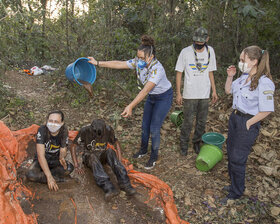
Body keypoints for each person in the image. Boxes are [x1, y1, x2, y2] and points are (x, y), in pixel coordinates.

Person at [88, 35, 173, 169]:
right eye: (137, 57)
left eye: (142, 58)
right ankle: (143, 150)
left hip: (163, 97)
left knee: (154, 128)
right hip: (152, 97)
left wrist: (130, 106)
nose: (138, 60)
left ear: (151, 57)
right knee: (145, 127)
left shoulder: (158, 70)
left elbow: (144, 91)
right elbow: (119, 64)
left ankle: (154, 156)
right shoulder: (138, 62)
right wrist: (98, 63)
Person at [222, 46, 275, 204]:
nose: (240, 62)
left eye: (243, 60)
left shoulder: (264, 82)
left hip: (247, 122)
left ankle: (236, 192)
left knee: (238, 158)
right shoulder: (243, 77)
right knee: (231, 153)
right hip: (235, 118)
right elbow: (227, 91)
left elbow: (266, 110)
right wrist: (230, 76)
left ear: (254, 61)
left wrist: (249, 123)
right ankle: (233, 184)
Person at [175, 27, 218, 156]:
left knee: (201, 121)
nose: (199, 44)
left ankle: (196, 142)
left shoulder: (211, 51)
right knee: (188, 121)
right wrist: (178, 93)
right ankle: (183, 144)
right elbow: (179, 73)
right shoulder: (185, 52)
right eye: (196, 42)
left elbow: (210, 72)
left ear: (207, 39)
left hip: (204, 93)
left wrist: (214, 91)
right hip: (190, 94)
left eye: (201, 42)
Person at [70, 119, 136, 202]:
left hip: (101, 155)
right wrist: (76, 165)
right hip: (89, 157)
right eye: (96, 134)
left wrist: (119, 161)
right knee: (92, 156)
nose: (98, 137)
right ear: (91, 129)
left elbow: (116, 143)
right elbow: (73, 146)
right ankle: (108, 187)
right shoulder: (84, 131)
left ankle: (125, 184)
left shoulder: (108, 130)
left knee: (110, 151)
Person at [26, 110, 74, 191]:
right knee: (31, 174)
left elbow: (63, 149)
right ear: (47, 121)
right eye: (50, 121)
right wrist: (49, 177)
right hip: (41, 159)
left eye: (56, 121)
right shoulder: (42, 130)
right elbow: (41, 155)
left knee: (69, 168)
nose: (53, 124)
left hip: (55, 159)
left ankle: (45, 174)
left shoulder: (64, 130)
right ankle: (55, 179)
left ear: (62, 123)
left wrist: (62, 157)